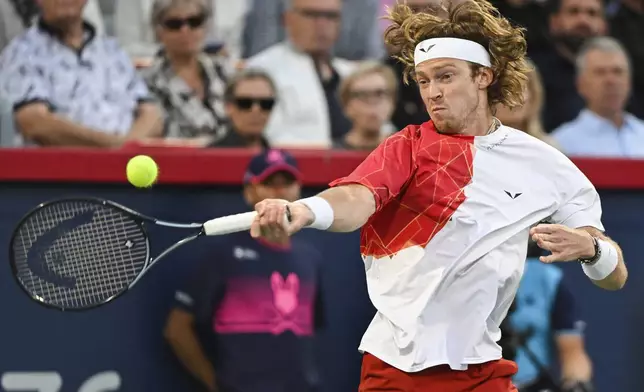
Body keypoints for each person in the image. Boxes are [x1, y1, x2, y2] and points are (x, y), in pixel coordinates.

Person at [249, 1, 628, 391]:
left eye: (445, 77)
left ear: (484, 76)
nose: (433, 93)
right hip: (396, 371)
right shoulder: (406, 147)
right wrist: (305, 210)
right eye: (424, 80)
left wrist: (591, 249)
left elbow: (615, 276)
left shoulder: (544, 163)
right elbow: (356, 198)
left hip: (483, 370)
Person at [164, 149, 325, 392]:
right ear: (250, 192)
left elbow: (308, 332)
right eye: (269, 184)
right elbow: (176, 329)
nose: (279, 193)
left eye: (287, 183)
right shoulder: (222, 256)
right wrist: (215, 384)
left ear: (298, 190)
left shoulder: (310, 258)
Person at [506, 241, 593, 392]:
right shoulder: (466, 277)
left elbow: (573, 352)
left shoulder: (550, 279)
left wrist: (575, 384)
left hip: (532, 385)